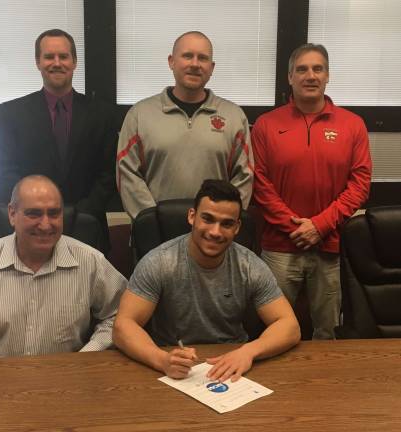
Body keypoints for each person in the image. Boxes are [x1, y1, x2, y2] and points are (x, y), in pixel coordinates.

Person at [113, 179, 300, 382]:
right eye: (208, 219)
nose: (215, 232)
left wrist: (248, 352)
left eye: (226, 224)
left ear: (237, 227)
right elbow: (123, 326)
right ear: (192, 217)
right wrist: (162, 360)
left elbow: (289, 325)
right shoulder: (159, 261)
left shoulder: (249, 265)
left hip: (232, 363)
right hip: (173, 364)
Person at [0, 175, 127, 361]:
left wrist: (86, 358)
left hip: (66, 381)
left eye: (54, 213)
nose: (45, 225)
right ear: (12, 214)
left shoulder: (90, 262)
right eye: (34, 213)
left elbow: (121, 316)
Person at [252, 43, 372, 339]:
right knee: (271, 330)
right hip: (279, 247)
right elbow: (259, 183)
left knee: (328, 331)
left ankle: (324, 385)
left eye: (318, 68)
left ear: (327, 76)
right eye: (302, 69)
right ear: (289, 77)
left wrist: (319, 225)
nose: (310, 75)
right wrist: (294, 227)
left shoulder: (352, 125)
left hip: (328, 246)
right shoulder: (266, 125)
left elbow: (359, 184)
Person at [0, 29, 117, 249]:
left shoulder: (102, 114)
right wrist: (35, 213)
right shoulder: (13, 113)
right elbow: (4, 172)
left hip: (87, 226)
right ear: (38, 62)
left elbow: (109, 173)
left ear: (74, 62)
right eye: (49, 57)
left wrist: (78, 215)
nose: (57, 63)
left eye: (64, 56)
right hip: (32, 228)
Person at [116, 31, 253, 219]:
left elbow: (244, 177)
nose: (195, 64)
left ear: (212, 67)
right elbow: (127, 175)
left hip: (214, 234)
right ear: (171, 61)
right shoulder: (139, 115)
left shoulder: (234, 117)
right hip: (156, 234)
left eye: (202, 58)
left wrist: (221, 219)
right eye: (187, 56)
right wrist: (151, 220)